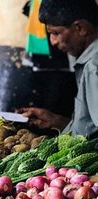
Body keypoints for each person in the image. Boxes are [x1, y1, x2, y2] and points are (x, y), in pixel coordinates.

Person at [20, 0, 98, 138]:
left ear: (80, 28)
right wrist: (57, 121)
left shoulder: (93, 67)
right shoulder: (88, 62)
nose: (53, 41)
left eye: (56, 33)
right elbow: (90, 127)